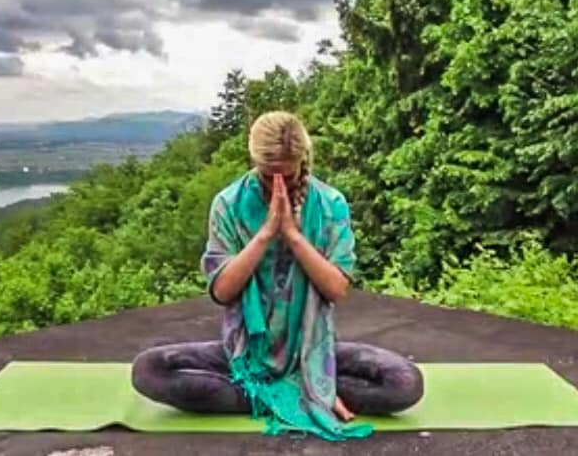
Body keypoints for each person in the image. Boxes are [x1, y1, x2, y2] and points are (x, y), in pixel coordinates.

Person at [132, 111, 422, 440]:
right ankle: (298, 395)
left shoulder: (330, 204)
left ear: (301, 161)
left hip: (313, 350)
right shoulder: (228, 204)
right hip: (243, 352)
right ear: (254, 162)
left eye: (287, 174)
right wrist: (266, 233)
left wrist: (293, 235)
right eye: (268, 176)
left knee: (404, 383)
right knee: (149, 370)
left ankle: (285, 391)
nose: (277, 186)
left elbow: (337, 288)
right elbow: (223, 291)